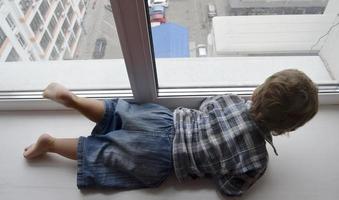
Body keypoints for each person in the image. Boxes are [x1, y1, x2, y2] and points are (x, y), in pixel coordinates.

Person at [23, 69, 318, 197]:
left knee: (117, 113)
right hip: (163, 158)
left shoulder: (231, 101)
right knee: (101, 154)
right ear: (288, 128)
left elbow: (206, 105)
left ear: (258, 91)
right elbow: (229, 189)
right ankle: (50, 144)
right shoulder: (256, 160)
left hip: (166, 120)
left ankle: (72, 99)